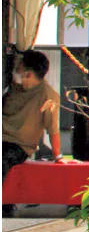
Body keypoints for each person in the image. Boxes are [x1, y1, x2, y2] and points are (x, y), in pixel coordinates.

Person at [1, 51, 62, 216]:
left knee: (3, 159)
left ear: (28, 73)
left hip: (19, 144)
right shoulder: (13, 88)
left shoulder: (48, 96)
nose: (15, 71)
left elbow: (53, 128)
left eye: (18, 68)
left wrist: (58, 156)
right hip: (3, 135)